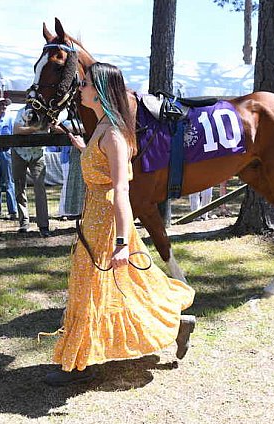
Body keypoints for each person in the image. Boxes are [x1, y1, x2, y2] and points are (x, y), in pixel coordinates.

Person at [46, 62, 195, 387]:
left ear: (99, 92)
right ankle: (178, 322)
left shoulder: (113, 133)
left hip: (109, 224)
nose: (80, 88)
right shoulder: (102, 126)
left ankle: (77, 362)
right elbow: (99, 163)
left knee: (92, 287)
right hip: (95, 219)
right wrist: (79, 145)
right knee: (133, 286)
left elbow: (122, 189)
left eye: (85, 84)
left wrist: (122, 243)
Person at [12, 107, 50, 236]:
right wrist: (35, 129)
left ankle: (44, 226)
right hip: (19, 152)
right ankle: (24, 222)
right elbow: (17, 130)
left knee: (40, 188)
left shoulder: (47, 113)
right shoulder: (21, 111)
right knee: (19, 187)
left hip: (37, 153)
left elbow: (51, 129)